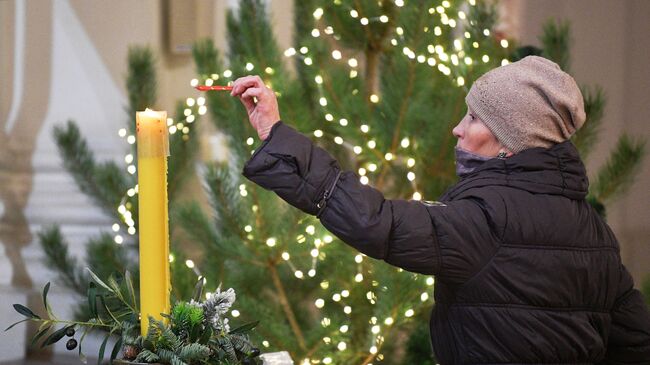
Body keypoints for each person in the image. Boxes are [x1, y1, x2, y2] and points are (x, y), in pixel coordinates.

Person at [230, 56, 650, 364]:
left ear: (510, 142)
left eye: (474, 118)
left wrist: (275, 135)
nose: (458, 128)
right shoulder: (597, 234)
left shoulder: (487, 222)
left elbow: (376, 222)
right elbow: (635, 343)